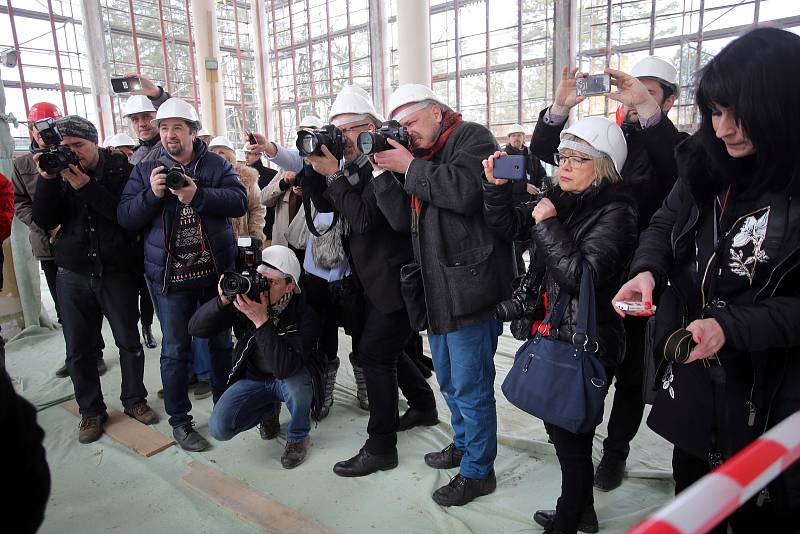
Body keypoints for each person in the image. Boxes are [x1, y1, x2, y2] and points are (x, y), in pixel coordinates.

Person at [613, 27, 800, 531]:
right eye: (715, 112)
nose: (723, 129)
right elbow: (663, 223)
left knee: (765, 507)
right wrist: (647, 271)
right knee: (695, 488)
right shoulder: (703, 165)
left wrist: (732, 326)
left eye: (740, 114)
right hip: (695, 369)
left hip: (771, 390)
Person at [530, 57, 688, 492]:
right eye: (631, 89)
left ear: (670, 100)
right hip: (591, 266)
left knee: (632, 374)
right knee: (580, 360)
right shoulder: (610, 135)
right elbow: (549, 154)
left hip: (641, 275)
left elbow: (678, 168)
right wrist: (561, 108)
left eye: (649, 92)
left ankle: (615, 452)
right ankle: (576, 444)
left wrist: (646, 109)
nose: (635, 99)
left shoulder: (671, 143)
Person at [485, 116, 636, 534]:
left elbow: (582, 276)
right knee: (568, 434)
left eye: (577, 158)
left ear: (603, 166)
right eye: (563, 156)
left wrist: (548, 224)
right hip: (556, 330)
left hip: (587, 341)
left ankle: (571, 518)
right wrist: (496, 191)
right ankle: (580, 510)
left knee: (571, 438)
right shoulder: (564, 198)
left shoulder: (617, 213)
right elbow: (506, 225)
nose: (564, 165)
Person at [371, 84, 513, 506]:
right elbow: (400, 220)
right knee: (449, 379)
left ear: (436, 111)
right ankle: (465, 442)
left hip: (470, 287)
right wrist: (384, 171)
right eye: (402, 127)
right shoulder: (421, 158)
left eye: (412, 123)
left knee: (471, 385)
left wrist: (409, 164)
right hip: (436, 290)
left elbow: (466, 193)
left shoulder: (473, 136)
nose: (408, 132)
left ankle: (478, 471)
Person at [302, 85, 439, 478]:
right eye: (337, 130)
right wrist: (316, 170)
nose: (342, 138)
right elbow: (328, 207)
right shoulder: (353, 164)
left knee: (375, 355)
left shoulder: (386, 161)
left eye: (351, 130)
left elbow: (363, 219)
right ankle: (424, 405)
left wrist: (334, 177)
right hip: (372, 280)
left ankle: (381, 446)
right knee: (388, 351)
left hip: (397, 282)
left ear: (373, 127)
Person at [118, 98, 248, 451]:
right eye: (163, 127)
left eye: (177, 127)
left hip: (214, 276)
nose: (169, 134)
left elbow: (239, 200)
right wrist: (152, 195)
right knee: (175, 350)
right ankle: (180, 421)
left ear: (193, 131)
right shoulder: (146, 169)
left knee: (221, 344)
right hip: (169, 280)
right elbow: (126, 217)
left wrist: (197, 194)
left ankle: (224, 406)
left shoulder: (217, 164)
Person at [32, 115, 158, 444]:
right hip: (72, 273)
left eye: (79, 146)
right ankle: (91, 410)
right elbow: (44, 219)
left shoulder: (122, 170)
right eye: (65, 147)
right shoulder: (57, 172)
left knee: (128, 343)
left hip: (117, 272)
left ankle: (134, 400)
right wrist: (46, 179)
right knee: (78, 349)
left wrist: (86, 187)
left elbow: (126, 218)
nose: (73, 153)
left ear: (94, 141)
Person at [191, 245, 324, 468]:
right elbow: (195, 329)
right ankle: (269, 411)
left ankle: (298, 436)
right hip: (254, 377)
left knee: (297, 389)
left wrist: (261, 322)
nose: (262, 287)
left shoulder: (305, 315)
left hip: (289, 378)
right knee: (219, 428)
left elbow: (284, 369)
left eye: (271, 282)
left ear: (290, 285)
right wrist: (221, 301)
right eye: (260, 279)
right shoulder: (247, 302)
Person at [12, 103, 109, 377]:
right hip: (47, 246)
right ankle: (74, 353)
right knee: (65, 307)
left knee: (90, 303)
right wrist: (47, 228)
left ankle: (96, 351)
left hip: (80, 243)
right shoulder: (24, 165)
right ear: (31, 130)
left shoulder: (74, 156)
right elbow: (21, 203)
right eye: (38, 126)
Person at [504, 123, 548, 276]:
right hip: (515, 209)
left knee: (535, 245)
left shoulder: (531, 156)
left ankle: (534, 278)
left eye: (519, 135)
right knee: (516, 249)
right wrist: (524, 187)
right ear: (509, 139)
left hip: (533, 208)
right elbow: (505, 183)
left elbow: (542, 174)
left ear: (524, 137)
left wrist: (544, 185)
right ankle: (519, 279)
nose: (517, 138)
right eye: (514, 135)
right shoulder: (505, 156)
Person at [208, 136, 266, 243]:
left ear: (229, 156)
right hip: (215, 241)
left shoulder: (247, 179)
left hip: (241, 239)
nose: (216, 156)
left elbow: (257, 208)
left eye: (221, 152)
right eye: (213, 152)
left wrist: (255, 234)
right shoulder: (205, 179)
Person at [122, 74, 172, 165]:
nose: (141, 124)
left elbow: (171, 112)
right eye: (135, 119)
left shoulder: (170, 146)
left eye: (146, 117)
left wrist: (156, 94)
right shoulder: (135, 154)